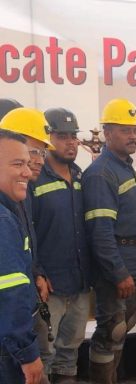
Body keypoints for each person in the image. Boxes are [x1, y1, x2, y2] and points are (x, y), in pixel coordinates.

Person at [82, 98, 136, 383]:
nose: (132, 135)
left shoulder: (125, 167)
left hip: (132, 265)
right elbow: (100, 231)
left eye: (134, 129)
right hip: (116, 271)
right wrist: (119, 272)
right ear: (107, 133)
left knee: (124, 327)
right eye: (124, 130)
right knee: (111, 332)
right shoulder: (101, 173)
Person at [30, 108, 91, 383]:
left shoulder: (80, 177)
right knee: (45, 355)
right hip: (49, 288)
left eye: (73, 136)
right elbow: (27, 232)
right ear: (47, 138)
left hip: (78, 284)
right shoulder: (34, 179)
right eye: (62, 136)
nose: (70, 142)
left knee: (70, 353)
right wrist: (38, 272)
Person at [0, 129, 43, 384]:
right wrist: (27, 355)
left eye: (27, 163)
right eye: (18, 164)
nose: (27, 172)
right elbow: (10, 292)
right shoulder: (3, 219)